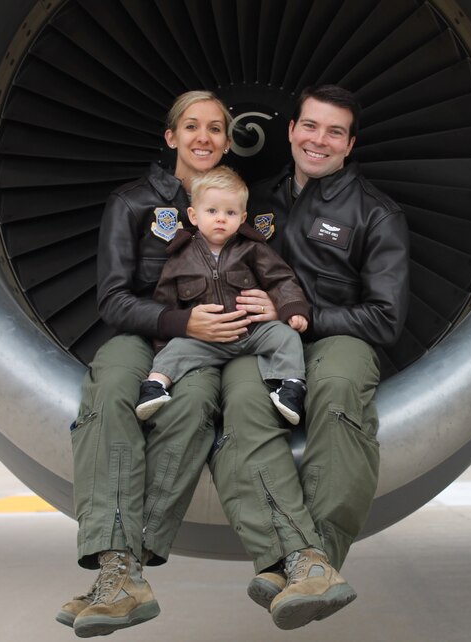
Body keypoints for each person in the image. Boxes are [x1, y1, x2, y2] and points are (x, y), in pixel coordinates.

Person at [210, 85, 410, 630]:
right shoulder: (259, 202)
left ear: (350, 144)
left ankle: (312, 558)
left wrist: (300, 316)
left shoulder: (376, 214)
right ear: (292, 129)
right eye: (310, 126)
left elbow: (386, 319)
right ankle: (300, 562)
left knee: (339, 394)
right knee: (240, 406)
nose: (319, 140)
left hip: (339, 338)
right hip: (265, 344)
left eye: (334, 132)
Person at [57, 91, 249, 638]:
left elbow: (268, 271)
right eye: (192, 127)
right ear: (172, 138)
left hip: (208, 348)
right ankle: (120, 570)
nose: (204, 138)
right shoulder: (133, 203)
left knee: (191, 406)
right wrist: (182, 323)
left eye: (215, 128)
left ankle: (123, 571)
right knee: (111, 388)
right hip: (144, 334)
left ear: (228, 141)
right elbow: (113, 299)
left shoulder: (241, 204)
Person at [135, 166, 311, 426]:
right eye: (212, 211)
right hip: (207, 338)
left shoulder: (252, 249)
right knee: (176, 349)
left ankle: (291, 387)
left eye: (230, 212)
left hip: (253, 331)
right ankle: (155, 386)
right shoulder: (180, 257)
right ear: (194, 216)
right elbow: (166, 301)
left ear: (242, 218)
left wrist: (293, 309)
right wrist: (165, 342)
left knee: (286, 337)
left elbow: (280, 278)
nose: (220, 219)